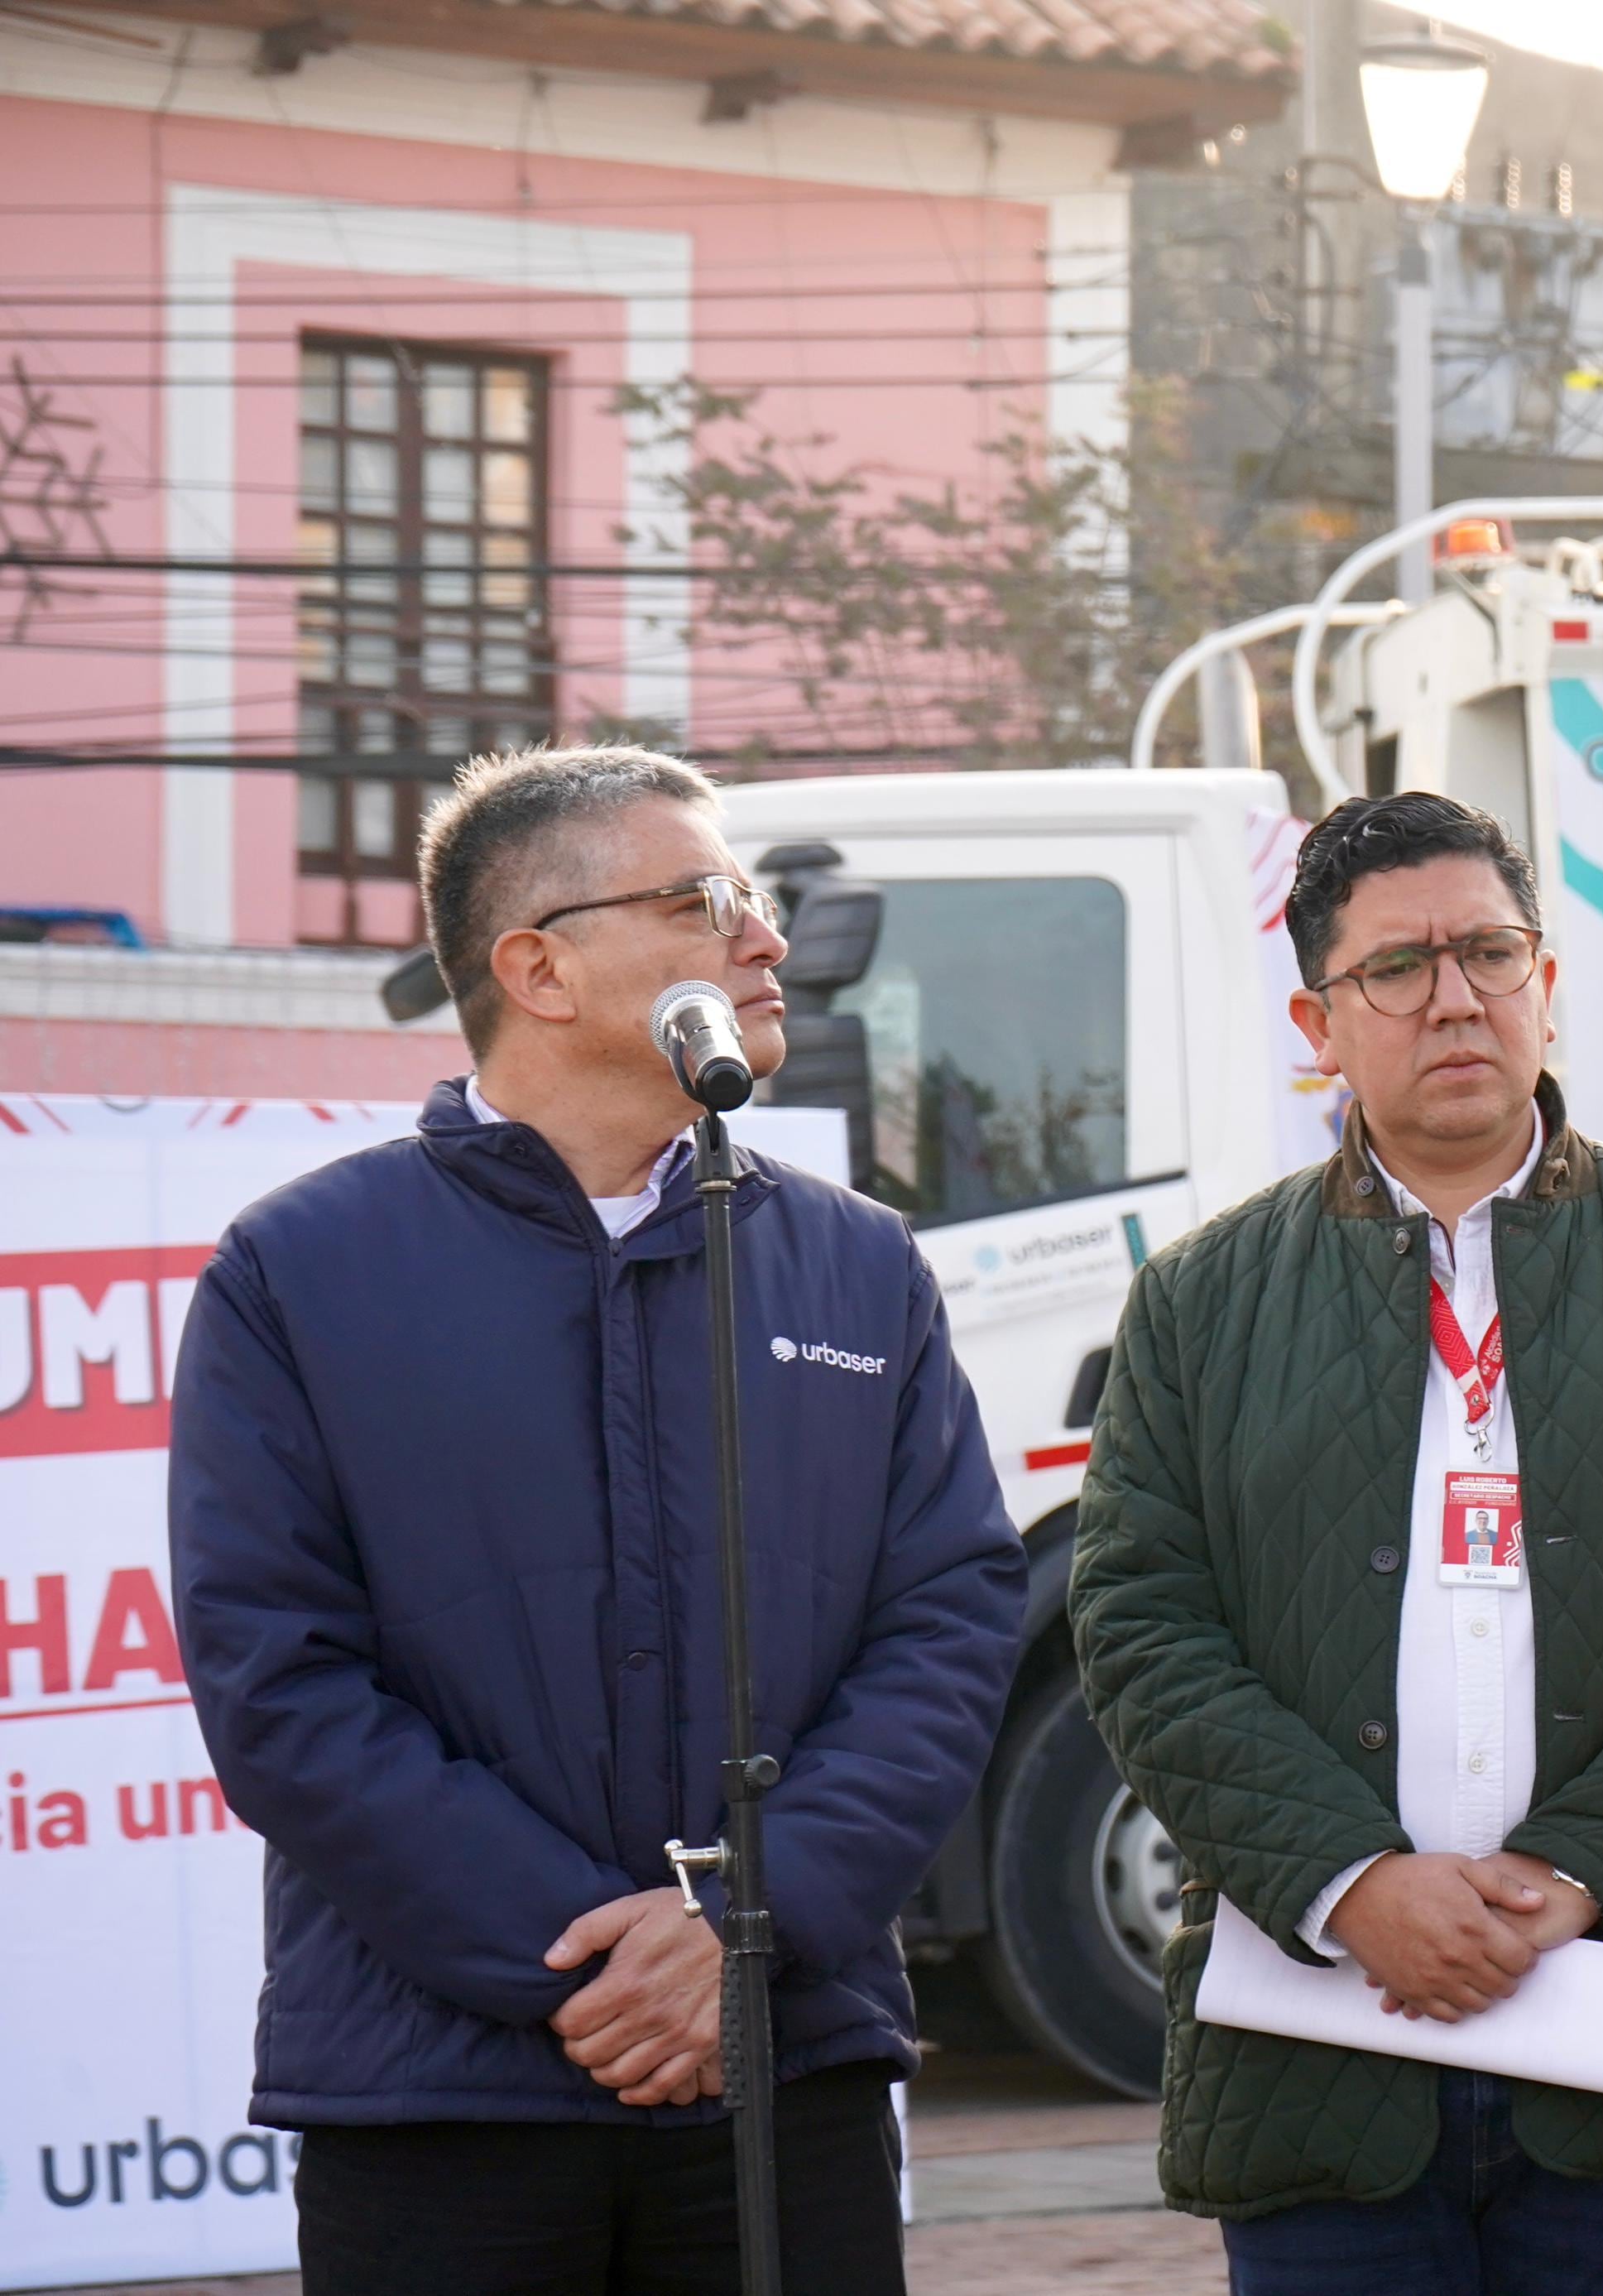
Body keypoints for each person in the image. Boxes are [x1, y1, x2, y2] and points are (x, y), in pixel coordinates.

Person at [167, 744, 1025, 2296]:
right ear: (537, 967)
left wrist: (744, 1933)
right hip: (442, 2091)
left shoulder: (857, 1268)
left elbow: (951, 1623)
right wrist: (597, 1958)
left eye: (752, 897)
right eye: (705, 899)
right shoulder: (299, 1271)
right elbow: (275, 1679)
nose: (763, 938)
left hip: (789, 2070)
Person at [1070, 792, 1603, 2295]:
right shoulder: (1203, 1300)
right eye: (1398, 966)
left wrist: (1580, 1867)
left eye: (1491, 952)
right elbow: (1141, 1620)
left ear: (1547, 985)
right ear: (1320, 1018)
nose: (1454, 996)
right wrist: (1351, 1878)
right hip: (1322, 2038)